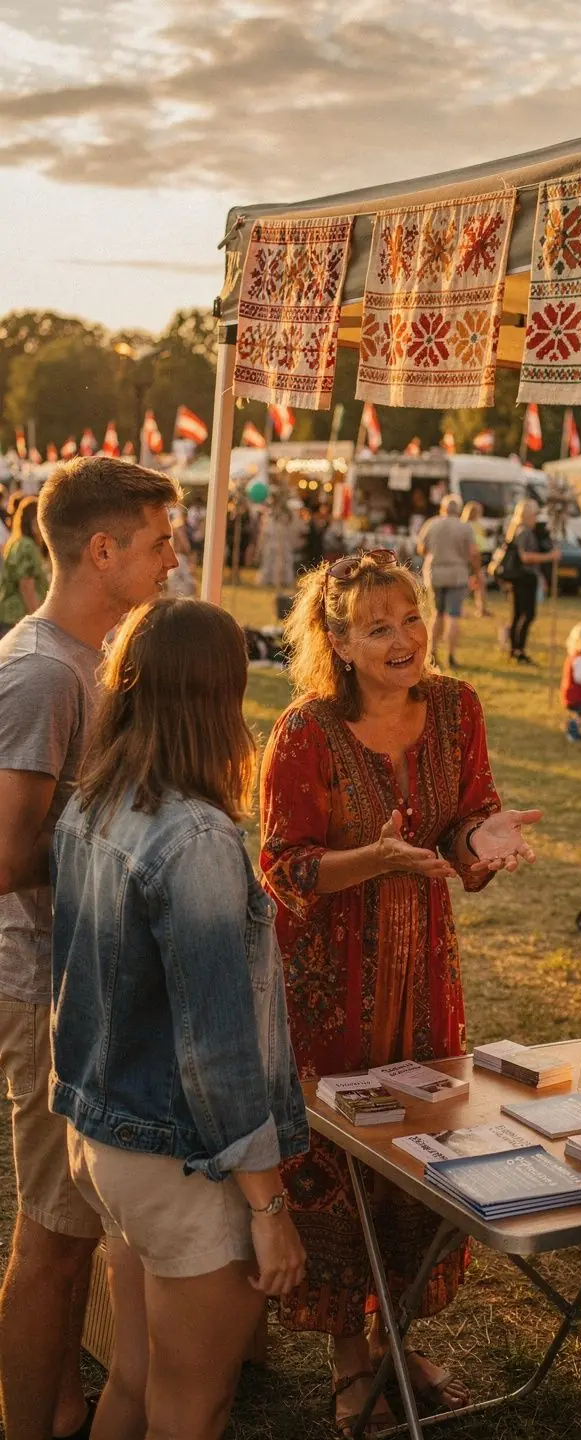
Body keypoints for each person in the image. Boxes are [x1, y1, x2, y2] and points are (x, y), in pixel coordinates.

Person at [259, 550, 542, 1437]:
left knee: (423, 1153)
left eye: (410, 617)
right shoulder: (305, 731)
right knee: (342, 1162)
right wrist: (372, 859)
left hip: (425, 980)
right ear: (338, 642)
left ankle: (397, 1334)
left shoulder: (459, 707)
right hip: (327, 990)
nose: (404, 638)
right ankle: (352, 1362)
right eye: (378, 627)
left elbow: (463, 820)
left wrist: (480, 839)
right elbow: (283, 865)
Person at [49, 599, 309, 1440]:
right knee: (194, 1406)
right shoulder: (194, 836)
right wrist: (269, 1212)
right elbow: (219, 1050)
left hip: (102, 1140)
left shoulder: (94, 803)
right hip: (178, 1159)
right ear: (218, 695)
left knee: (133, 1380)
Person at [0, 456, 180, 1440]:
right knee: (52, 1238)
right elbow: (6, 854)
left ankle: (66, 1409)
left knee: (75, 1228)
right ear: (102, 550)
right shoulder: (40, 671)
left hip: (80, 981)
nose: (174, 559)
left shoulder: (88, 659)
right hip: (37, 983)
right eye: (160, 542)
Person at [416, 493, 480, 668]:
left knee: (437, 613)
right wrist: (476, 571)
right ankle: (451, 655)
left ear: (442, 508)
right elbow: (473, 553)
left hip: (435, 573)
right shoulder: (464, 528)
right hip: (457, 574)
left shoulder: (431, 524)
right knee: (453, 616)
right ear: (458, 510)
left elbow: (421, 548)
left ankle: (432, 651)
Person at [502, 500, 560, 665]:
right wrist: (550, 557)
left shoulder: (516, 530)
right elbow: (525, 557)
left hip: (519, 578)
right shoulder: (525, 532)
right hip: (524, 577)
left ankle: (515, 649)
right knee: (527, 614)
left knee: (518, 614)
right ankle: (518, 648)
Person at [0, 496, 49, 639]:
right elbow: (26, 585)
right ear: (34, 521)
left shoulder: (17, 542)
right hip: (18, 617)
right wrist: (37, 622)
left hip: (11, 617)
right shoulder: (27, 546)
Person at [460, 501, 491, 618]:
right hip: (470, 557)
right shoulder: (465, 526)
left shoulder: (477, 525)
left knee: (479, 583)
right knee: (472, 583)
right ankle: (462, 609)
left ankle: (481, 609)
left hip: (479, 556)